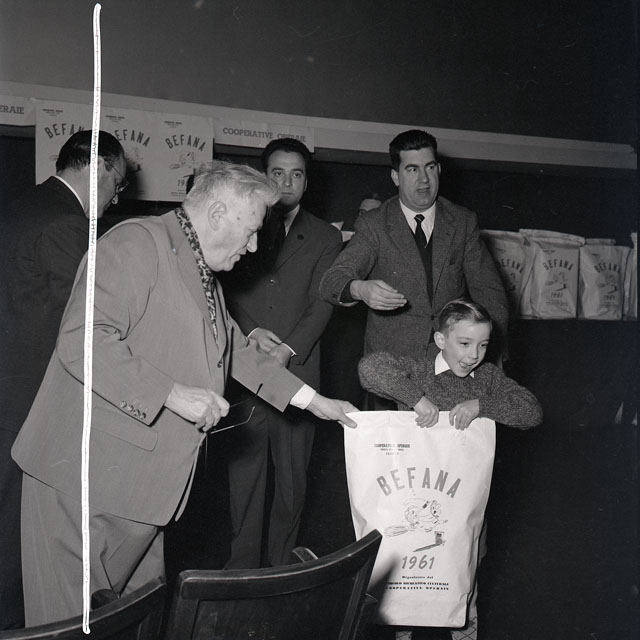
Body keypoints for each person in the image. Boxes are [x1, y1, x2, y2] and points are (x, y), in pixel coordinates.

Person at [11, 161, 357, 626]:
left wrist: (314, 402)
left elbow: (235, 348)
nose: (255, 246)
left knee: (134, 621)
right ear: (217, 214)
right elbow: (83, 338)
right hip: (83, 482)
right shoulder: (136, 244)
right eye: (252, 231)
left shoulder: (199, 266)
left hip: (143, 488)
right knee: (70, 626)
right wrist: (173, 394)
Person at [0, 130, 127, 629]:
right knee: (19, 530)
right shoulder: (67, 224)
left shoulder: (23, 206)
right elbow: (88, 322)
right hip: (30, 402)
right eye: (117, 182)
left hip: (8, 389)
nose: (116, 196)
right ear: (98, 167)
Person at [358, 298, 542, 640]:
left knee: (464, 588)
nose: (474, 355)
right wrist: (415, 398)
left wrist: (482, 405)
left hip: (463, 511)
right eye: (465, 343)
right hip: (415, 501)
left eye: (483, 345)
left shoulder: (487, 378)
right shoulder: (418, 371)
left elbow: (531, 411)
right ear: (441, 340)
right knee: (406, 595)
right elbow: (370, 368)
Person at [219, 138, 343, 568]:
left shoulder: (327, 236)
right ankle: (241, 568)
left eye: (296, 174)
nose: (287, 183)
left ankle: (279, 570)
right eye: (277, 173)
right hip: (246, 368)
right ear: (263, 177)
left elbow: (323, 301)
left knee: (293, 483)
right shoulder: (243, 223)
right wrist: (250, 332)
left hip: (298, 370)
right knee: (244, 478)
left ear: (307, 182)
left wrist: (289, 348)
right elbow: (223, 288)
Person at [319, 129, 509, 408]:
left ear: (439, 169)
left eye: (430, 167)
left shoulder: (462, 222)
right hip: (392, 374)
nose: (424, 179)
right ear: (395, 176)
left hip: (451, 369)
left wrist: (491, 355)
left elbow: (489, 292)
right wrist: (359, 289)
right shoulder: (374, 224)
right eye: (412, 169)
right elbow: (332, 281)